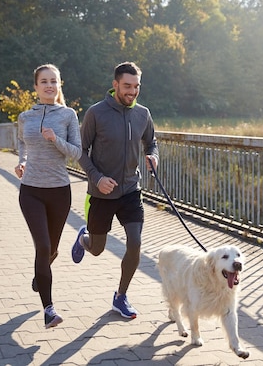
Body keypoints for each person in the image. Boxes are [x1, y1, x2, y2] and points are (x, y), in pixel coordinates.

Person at [72, 61, 159, 319]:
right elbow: (80, 151)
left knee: (135, 244)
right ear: (115, 85)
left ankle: (120, 297)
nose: (132, 91)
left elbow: (151, 141)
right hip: (102, 194)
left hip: (131, 190)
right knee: (97, 248)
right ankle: (82, 238)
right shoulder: (96, 113)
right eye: (127, 86)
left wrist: (153, 155)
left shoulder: (143, 113)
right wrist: (97, 178)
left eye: (136, 87)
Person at [14, 64, 82, 328]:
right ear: (36, 87)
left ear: (59, 85)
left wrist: (56, 140)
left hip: (59, 193)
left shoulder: (68, 115)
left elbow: (76, 153)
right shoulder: (25, 117)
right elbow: (21, 142)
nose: (49, 86)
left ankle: (39, 275)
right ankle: (49, 310)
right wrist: (22, 161)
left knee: (51, 251)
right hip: (31, 191)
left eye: (54, 81)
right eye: (44, 81)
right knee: (42, 247)